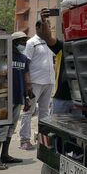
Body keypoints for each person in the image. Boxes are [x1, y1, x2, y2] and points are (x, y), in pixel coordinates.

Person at [0, 32, 31, 169]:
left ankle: (5, 155)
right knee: (2, 128)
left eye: (25, 41)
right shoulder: (6, 56)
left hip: (18, 97)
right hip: (6, 98)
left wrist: (27, 98)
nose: (24, 44)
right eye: (21, 41)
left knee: (11, 128)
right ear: (13, 42)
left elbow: (26, 79)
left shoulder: (24, 58)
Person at [20, 19, 57, 150]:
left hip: (49, 81)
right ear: (38, 28)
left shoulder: (50, 43)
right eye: (46, 27)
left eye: (49, 27)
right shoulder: (31, 43)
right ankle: (24, 140)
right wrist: (28, 83)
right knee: (28, 111)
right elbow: (26, 64)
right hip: (35, 82)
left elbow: (53, 61)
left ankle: (43, 140)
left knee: (45, 112)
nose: (48, 29)